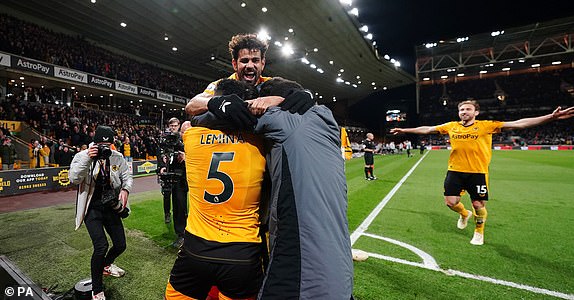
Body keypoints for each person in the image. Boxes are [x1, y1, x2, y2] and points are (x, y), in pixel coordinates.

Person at [390, 100, 574, 245]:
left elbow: (520, 124)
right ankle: (464, 214)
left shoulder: (487, 125)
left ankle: (479, 232)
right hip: (455, 170)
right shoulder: (452, 126)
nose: (464, 112)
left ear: (476, 112)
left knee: (478, 205)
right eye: (462, 110)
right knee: (450, 202)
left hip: (477, 172)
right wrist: (404, 129)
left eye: (468, 109)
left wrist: (551, 117)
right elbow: (427, 129)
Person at [250, 77, 354, 299]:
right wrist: (308, 93)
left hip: (301, 268)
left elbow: (232, 113)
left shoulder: (281, 120)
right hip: (341, 270)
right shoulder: (328, 121)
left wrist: (203, 111)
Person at [68, 125, 132, 300]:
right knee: (101, 246)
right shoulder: (82, 156)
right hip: (92, 208)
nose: (105, 148)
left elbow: (127, 176)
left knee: (120, 245)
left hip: (111, 206)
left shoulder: (117, 157)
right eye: (101, 144)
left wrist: (125, 189)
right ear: (95, 143)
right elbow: (73, 178)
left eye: (108, 144)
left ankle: (106, 265)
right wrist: (88, 159)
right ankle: (97, 290)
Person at [157, 117, 188, 248]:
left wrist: (185, 156)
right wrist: (162, 165)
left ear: (179, 126)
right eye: (171, 126)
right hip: (171, 176)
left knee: (181, 206)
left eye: (175, 125)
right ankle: (180, 234)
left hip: (183, 176)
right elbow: (161, 155)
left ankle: (186, 234)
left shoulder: (185, 140)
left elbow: (193, 155)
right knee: (175, 205)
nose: (173, 128)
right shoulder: (165, 141)